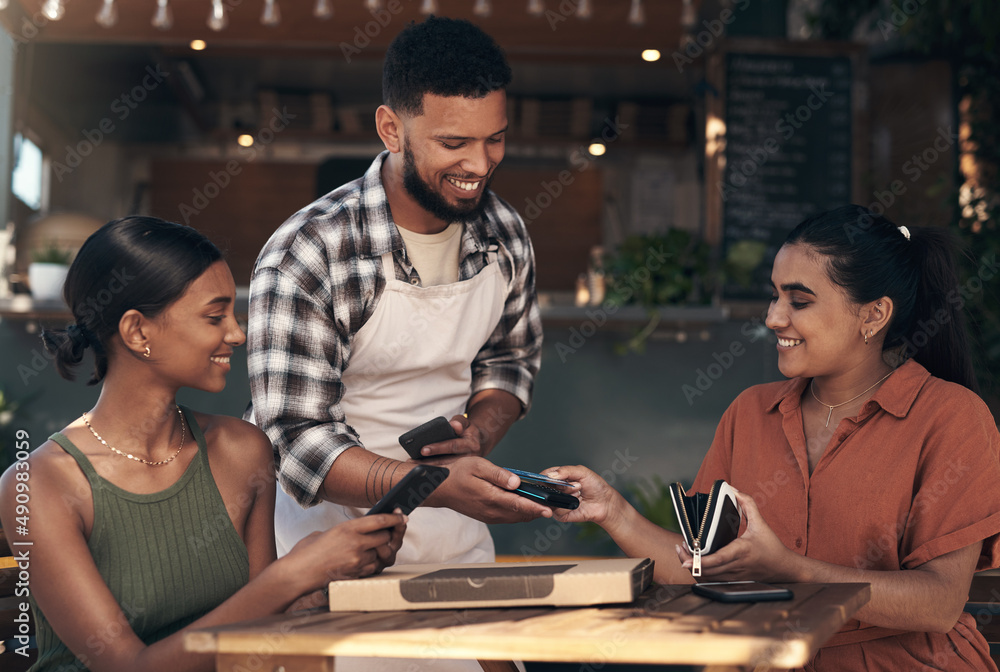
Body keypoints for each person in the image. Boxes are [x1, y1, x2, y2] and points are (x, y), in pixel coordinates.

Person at [545, 205, 1000, 671]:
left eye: (799, 301)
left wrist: (790, 568)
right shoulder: (750, 413)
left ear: (874, 314)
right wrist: (614, 513)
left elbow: (940, 603)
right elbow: (701, 568)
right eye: (775, 297)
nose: (774, 318)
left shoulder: (951, 418)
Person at [0, 216, 406, 672]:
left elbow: (254, 641)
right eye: (215, 316)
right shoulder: (39, 485)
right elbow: (129, 668)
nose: (237, 333)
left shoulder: (241, 449)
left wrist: (319, 582)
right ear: (138, 332)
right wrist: (292, 574)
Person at [245, 16, 550, 578]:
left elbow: (510, 363)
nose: (480, 166)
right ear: (391, 129)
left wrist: (477, 434)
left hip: (454, 530)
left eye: (495, 139)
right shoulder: (311, 251)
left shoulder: (505, 234)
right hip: (323, 539)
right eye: (454, 143)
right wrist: (426, 484)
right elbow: (294, 440)